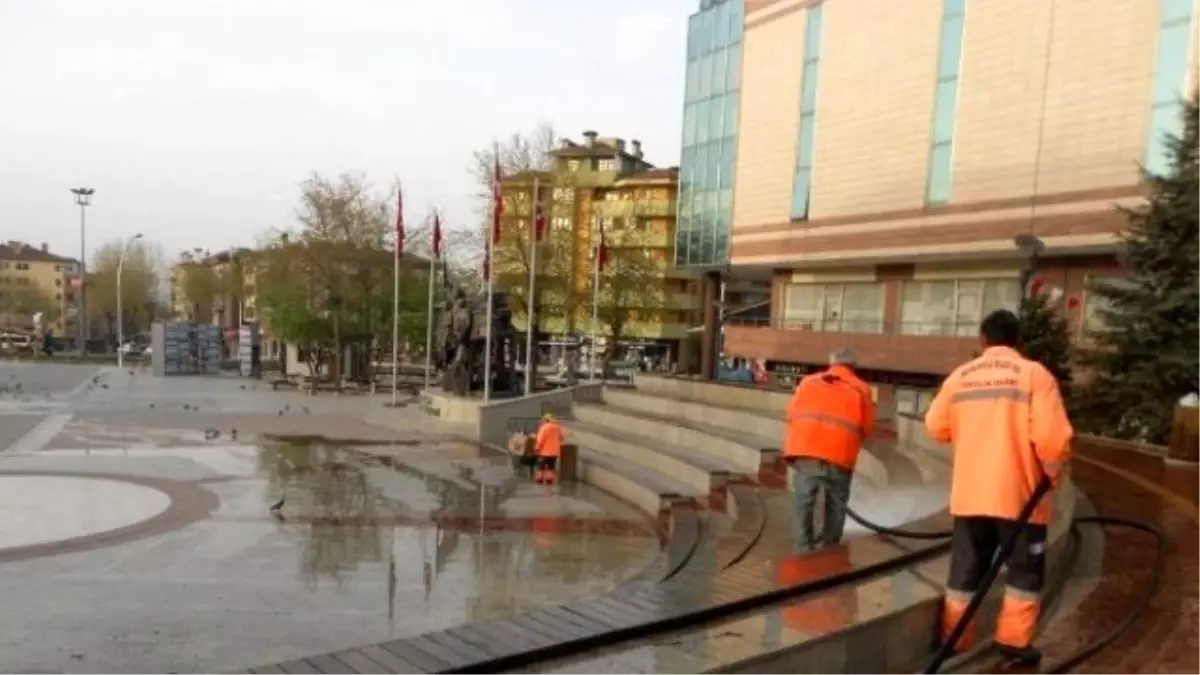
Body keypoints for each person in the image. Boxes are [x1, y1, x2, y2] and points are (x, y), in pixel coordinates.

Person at [925, 308, 1074, 666]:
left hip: (971, 494)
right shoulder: (1034, 375)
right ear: (1018, 340)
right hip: (1020, 497)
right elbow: (1054, 440)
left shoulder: (960, 377)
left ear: (983, 339)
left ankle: (956, 640)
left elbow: (935, 426)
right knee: (1023, 573)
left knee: (965, 572)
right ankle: (1013, 642)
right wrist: (1051, 477)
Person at [783, 348, 875, 550]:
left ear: (831, 363)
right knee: (836, 506)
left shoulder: (808, 382)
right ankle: (829, 550)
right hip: (839, 453)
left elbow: (790, 414)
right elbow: (867, 427)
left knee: (804, 501)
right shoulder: (861, 388)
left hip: (805, 448)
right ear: (853, 368)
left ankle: (802, 548)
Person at [534, 412, 564, 485]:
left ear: (545, 420)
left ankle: (540, 479)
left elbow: (540, 439)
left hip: (544, 451)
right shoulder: (557, 427)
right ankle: (549, 480)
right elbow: (561, 438)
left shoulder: (544, 427)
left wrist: (537, 448)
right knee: (551, 465)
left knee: (541, 465)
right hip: (554, 451)